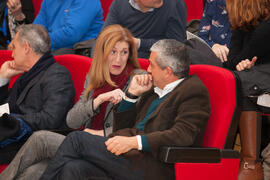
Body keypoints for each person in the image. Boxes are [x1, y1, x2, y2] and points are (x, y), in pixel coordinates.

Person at [40, 39, 210, 180]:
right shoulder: (153, 87)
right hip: (130, 157)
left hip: (153, 165)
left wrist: (134, 142)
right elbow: (122, 128)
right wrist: (131, 96)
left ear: (168, 71)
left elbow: (182, 135)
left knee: (76, 139)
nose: (148, 69)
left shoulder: (193, 91)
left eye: (152, 65)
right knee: (74, 168)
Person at [0, 24, 141, 180]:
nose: (118, 59)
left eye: (124, 52)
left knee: (41, 139)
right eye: (113, 52)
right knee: (34, 172)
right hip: (82, 143)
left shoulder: (137, 80)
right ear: (103, 52)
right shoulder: (94, 77)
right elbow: (72, 120)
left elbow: (138, 126)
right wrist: (96, 102)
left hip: (110, 147)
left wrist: (101, 133)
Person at [0, 24, 75, 157]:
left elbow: (51, 119)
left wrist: (13, 120)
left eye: (15, 47)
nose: (11, 54)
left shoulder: (57, 74)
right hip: (10, 135)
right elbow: (4, 106)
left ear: (26, 48)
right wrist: (3, 79)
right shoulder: (27, 75)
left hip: (28, 142)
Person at [224, 0, 270, 179]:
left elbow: (242, 58)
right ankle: (249, 162)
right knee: (237, 80)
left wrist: (242, 64)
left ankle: (249, 162)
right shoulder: (241, 27)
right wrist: (242, 64)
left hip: (261, 85)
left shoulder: (266, 28)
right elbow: (233, 62)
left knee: (240, 83)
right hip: (256, 84)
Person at [102, 0, 187, 58]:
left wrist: (140, 43)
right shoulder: (120, 4)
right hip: (122, 59)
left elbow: (176, 46)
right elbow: (104, 38)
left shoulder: (175, 4)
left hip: (157, 64)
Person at [33, 0, 103, 55]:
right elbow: (35, 29)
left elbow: (71, 34)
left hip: (78, 49)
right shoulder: (48, 1)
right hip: (50, 46)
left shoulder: (87, 1)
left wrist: (38, 42)